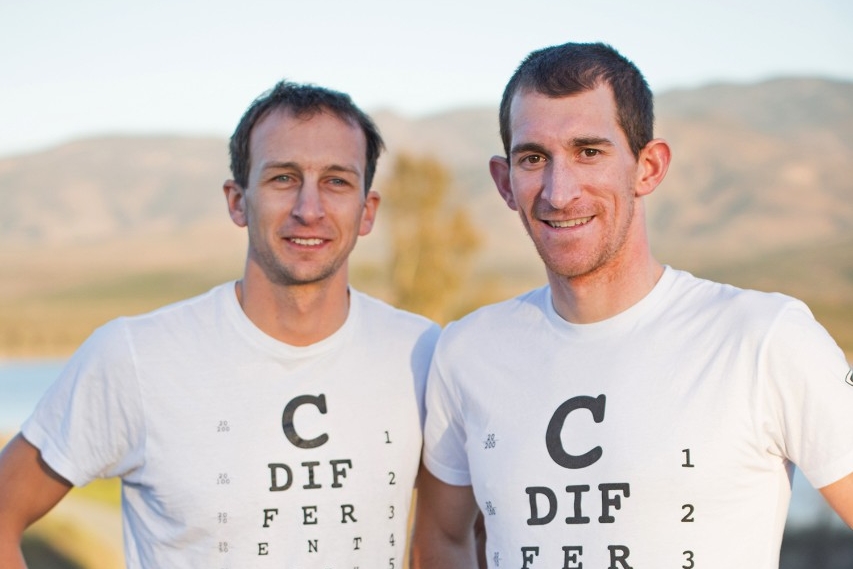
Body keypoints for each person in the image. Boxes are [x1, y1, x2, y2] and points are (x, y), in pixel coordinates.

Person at [411, 42, 853, 568]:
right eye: (534, 158)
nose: (559, 190)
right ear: (505, 182)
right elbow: (440, 539)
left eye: (589, 152)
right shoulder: (467, 351)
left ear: (648, 167)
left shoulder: (766, 337)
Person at [0, 80, 440, 568]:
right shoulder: (136, 357)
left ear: (367, 210)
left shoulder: (420, 352)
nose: (309, 209)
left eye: (337, 181)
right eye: (283, 178)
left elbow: (458, 536)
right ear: (237, 200)